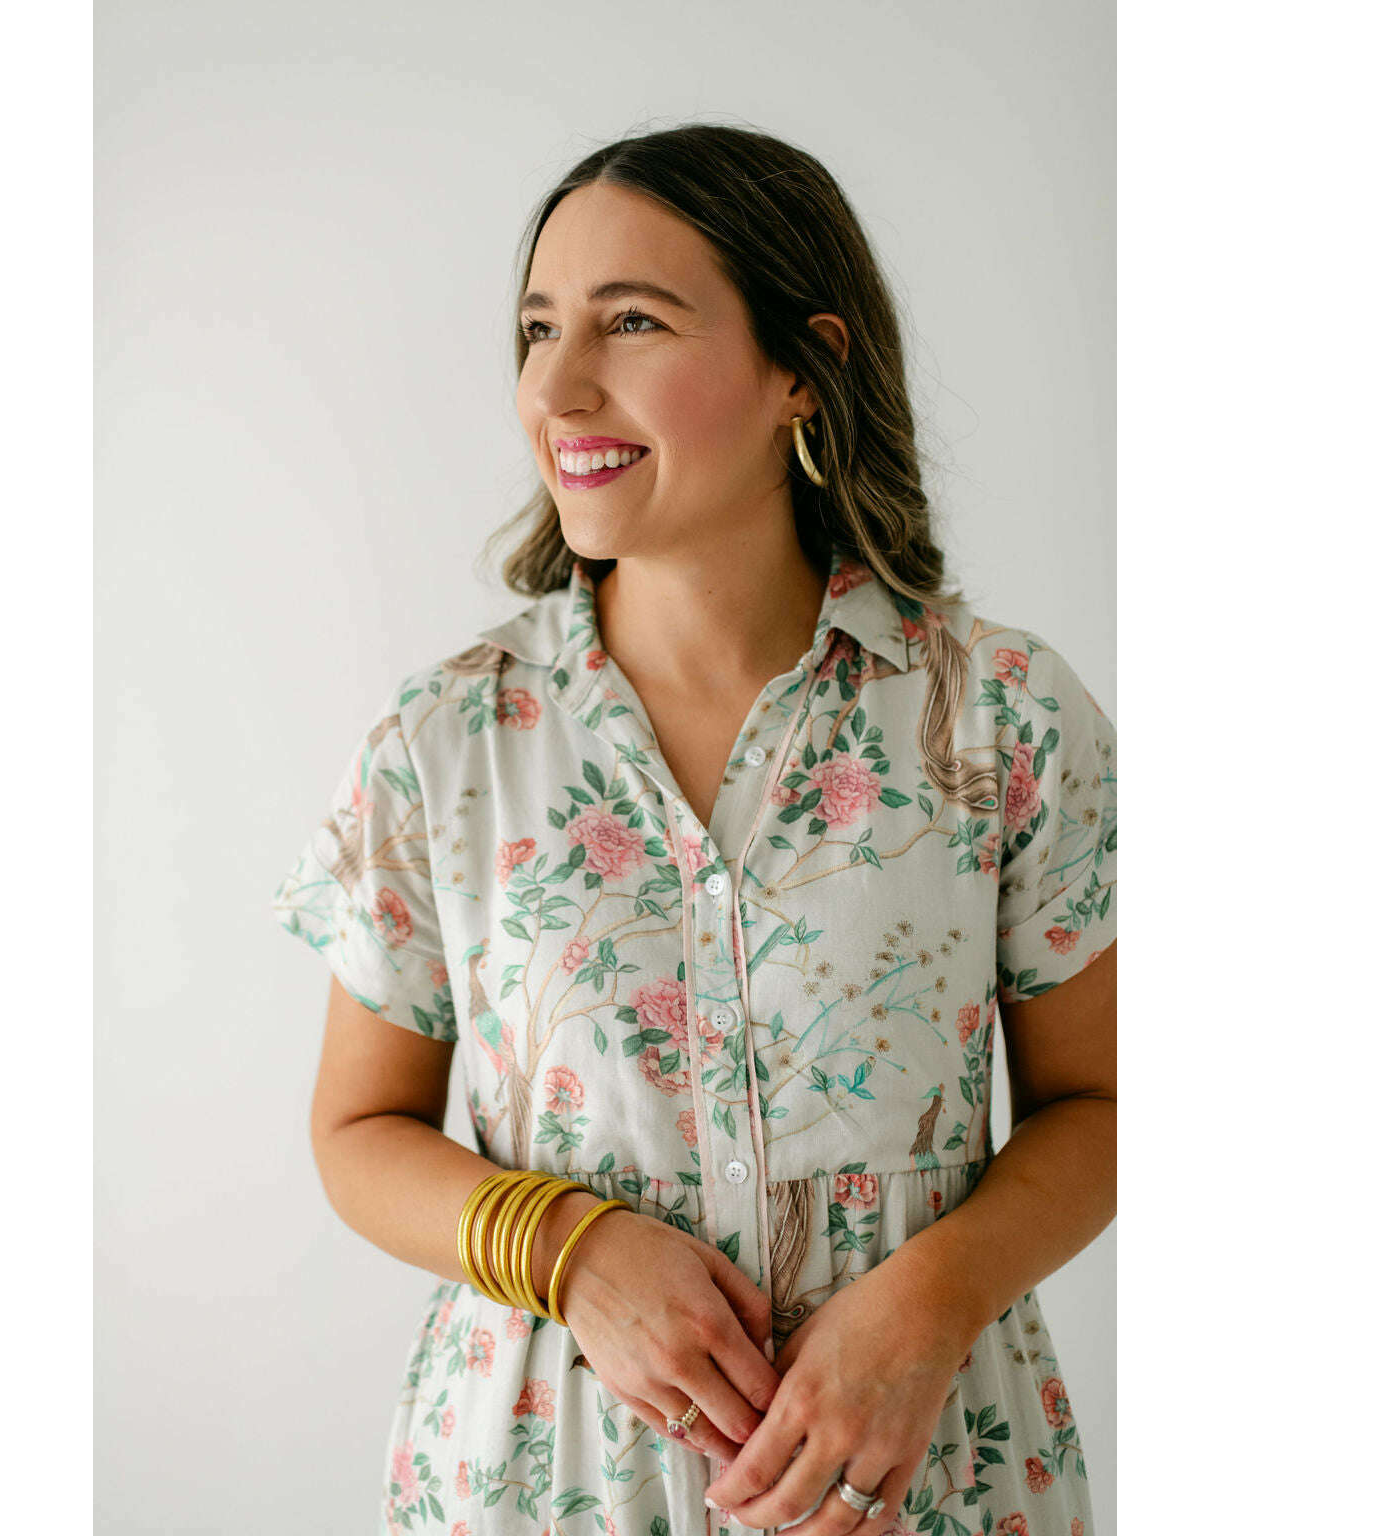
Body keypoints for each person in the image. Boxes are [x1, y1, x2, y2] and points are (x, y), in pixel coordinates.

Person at [271, 123, 1116, 1536]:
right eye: (538, 329)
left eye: (631, 322)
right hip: (543, 1491)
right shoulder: (448, 745)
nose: (556, 387)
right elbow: (358, 1130)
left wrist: (934, 1301)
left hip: (930, 1483)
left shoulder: (998, 716)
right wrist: (568, 1248)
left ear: (805, 368)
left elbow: (1106, 1105)